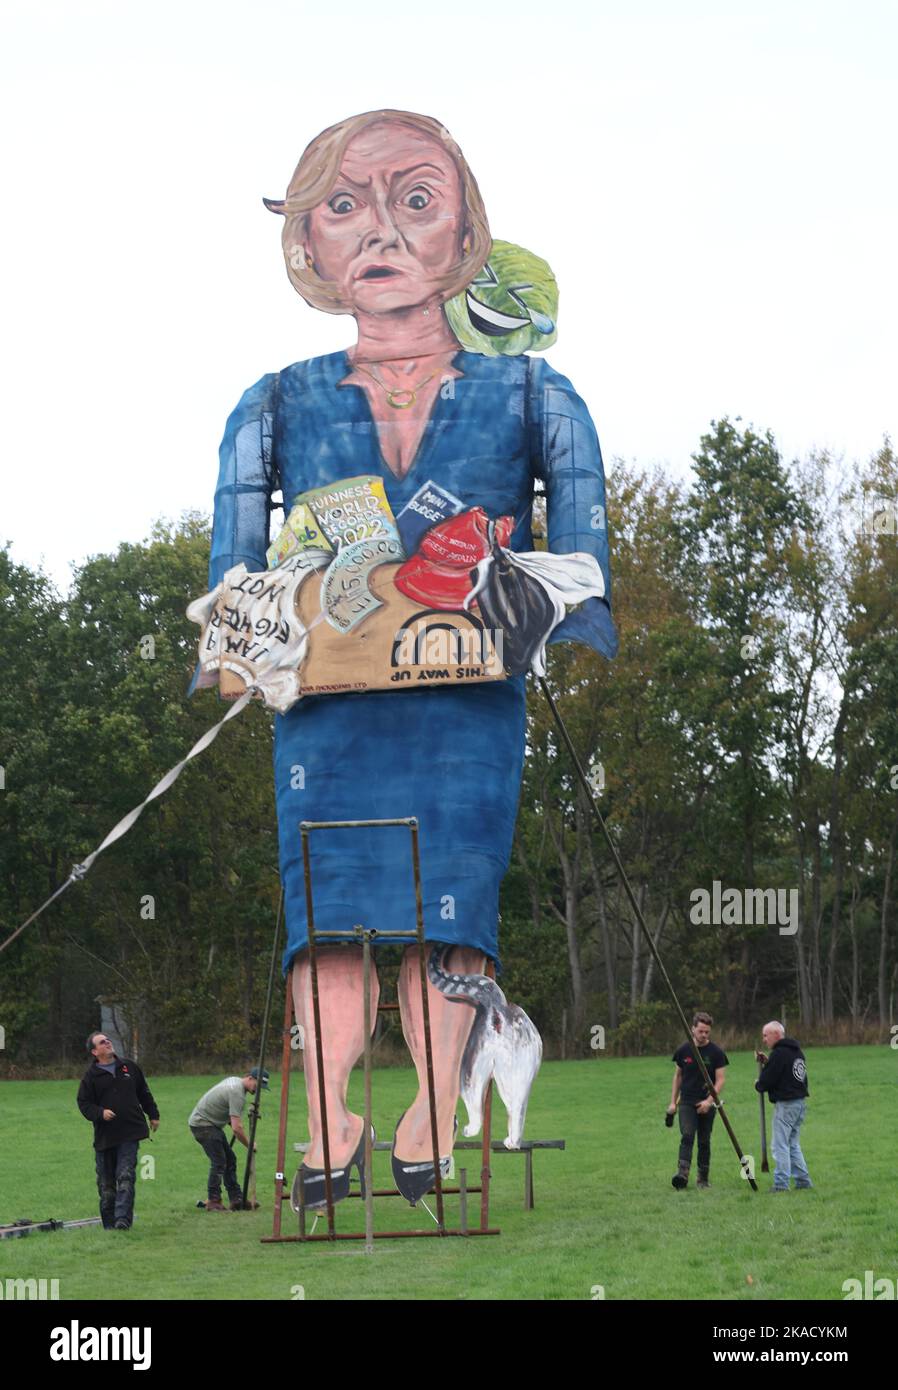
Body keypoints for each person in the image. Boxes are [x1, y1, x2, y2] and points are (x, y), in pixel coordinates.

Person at [198, 108, 617, 1207]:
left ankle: (433, 1116)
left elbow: (580, 531)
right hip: (324, 710)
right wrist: (237, 649)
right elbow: (231, 562)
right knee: (325, 915)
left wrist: (554, 605)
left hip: (465, 705)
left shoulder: (536, 394)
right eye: (344, 204)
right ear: (309, 244)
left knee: (452, 911)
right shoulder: (270, 403)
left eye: (414, 199)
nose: (379, 228)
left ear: (464, 235)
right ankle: (329, 1129)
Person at [77, 1031, 159, 1230]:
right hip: (106, 1136)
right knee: (106, 1185)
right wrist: (100, 1113)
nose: (107, 1043)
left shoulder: (129, 1067)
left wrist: (153, 1114)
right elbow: (84, 1103)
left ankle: (123, 1220)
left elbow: (143, 1092)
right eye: (102, 1042)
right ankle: (109, 1223)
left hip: (130, 1131)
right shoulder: (91, 1077)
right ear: (95, 1051)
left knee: (125, 1175)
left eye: (108, 1040)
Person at [188, 1068, 269, 1211]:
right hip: (203, 1125)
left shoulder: (235, 1082)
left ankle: (237, 1199)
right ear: (250, 1078)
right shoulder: (237, 1092)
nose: (258, 1090)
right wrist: (250, 1145)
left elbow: (229, 1115)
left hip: (210, 1124)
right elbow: (237, 1129)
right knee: (219, 1162)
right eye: (257, 1086)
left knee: (229, 1160)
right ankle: (214, 1201)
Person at [667, 1011, 728, 1190]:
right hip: (686, 1101)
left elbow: (721, 1080)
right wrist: (672, 1102)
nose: (704, 1035)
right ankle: (682, 1174)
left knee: (704, 1141)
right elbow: (677, 1076)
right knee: (687, 1135)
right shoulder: (683, 1051)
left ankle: (703, 1179)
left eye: (707, 1032)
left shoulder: (716, 1053)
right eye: (701, 1031)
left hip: (707, 1102)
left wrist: (709, 1101)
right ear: (692, 1029)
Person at [755, 1020, 812, 1192]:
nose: (764, 1039)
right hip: (799, 1103)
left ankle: (781, 1184)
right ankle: (803, 1181)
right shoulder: (797, 1052)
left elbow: (767, 1080)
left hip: (786, 1105)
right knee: (793, 1144)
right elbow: (785, 1073)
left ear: (776, 1035)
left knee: (779, 1145)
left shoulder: (779, 1054)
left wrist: (758, 1084)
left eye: (766, 1035)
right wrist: (767, 1063)